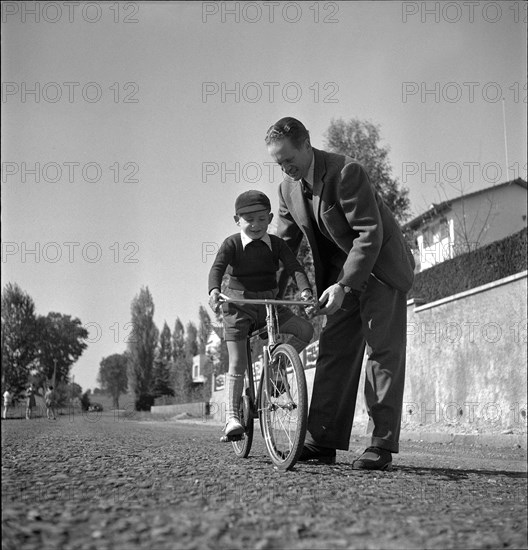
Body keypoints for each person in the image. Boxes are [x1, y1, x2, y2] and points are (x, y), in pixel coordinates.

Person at [265, 117, 415, 471]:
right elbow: (283, 247)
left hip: (379, 269)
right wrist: (261, 284)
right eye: (278, 163)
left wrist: (346, 284)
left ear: (306, 145)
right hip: (339, 279)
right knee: (333, 349)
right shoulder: (287, 189)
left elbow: (369, 234)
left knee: (382, 352)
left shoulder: (346, 171)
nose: (286, 167)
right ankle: (323, 439)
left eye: (289, 158)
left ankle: (380, 444)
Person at [208, 190, 314, 436]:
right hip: (237, 306)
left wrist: (306, 292)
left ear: (270, 217)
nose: (255, 225)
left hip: (270, 303)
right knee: (238, 363)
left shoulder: (277, 244)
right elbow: (217, 268)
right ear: (237, 220)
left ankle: (275, 370)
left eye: (261, 219)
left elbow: (295, 267)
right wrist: (214, 290)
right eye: (248, 219)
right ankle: (232, 419)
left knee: (305, 330)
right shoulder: (231, 244)